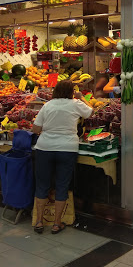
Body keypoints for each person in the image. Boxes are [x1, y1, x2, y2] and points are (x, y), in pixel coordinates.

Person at [31, 80, 93, 234]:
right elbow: (91, 112)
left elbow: (35, 128)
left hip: (44, 148)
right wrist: (81, 98)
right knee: (62, 185)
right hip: (67, 149)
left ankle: (39, 221)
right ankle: (57, 223)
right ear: (71, 91)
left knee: (42, 185)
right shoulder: (75, 103)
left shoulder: (48, 105)